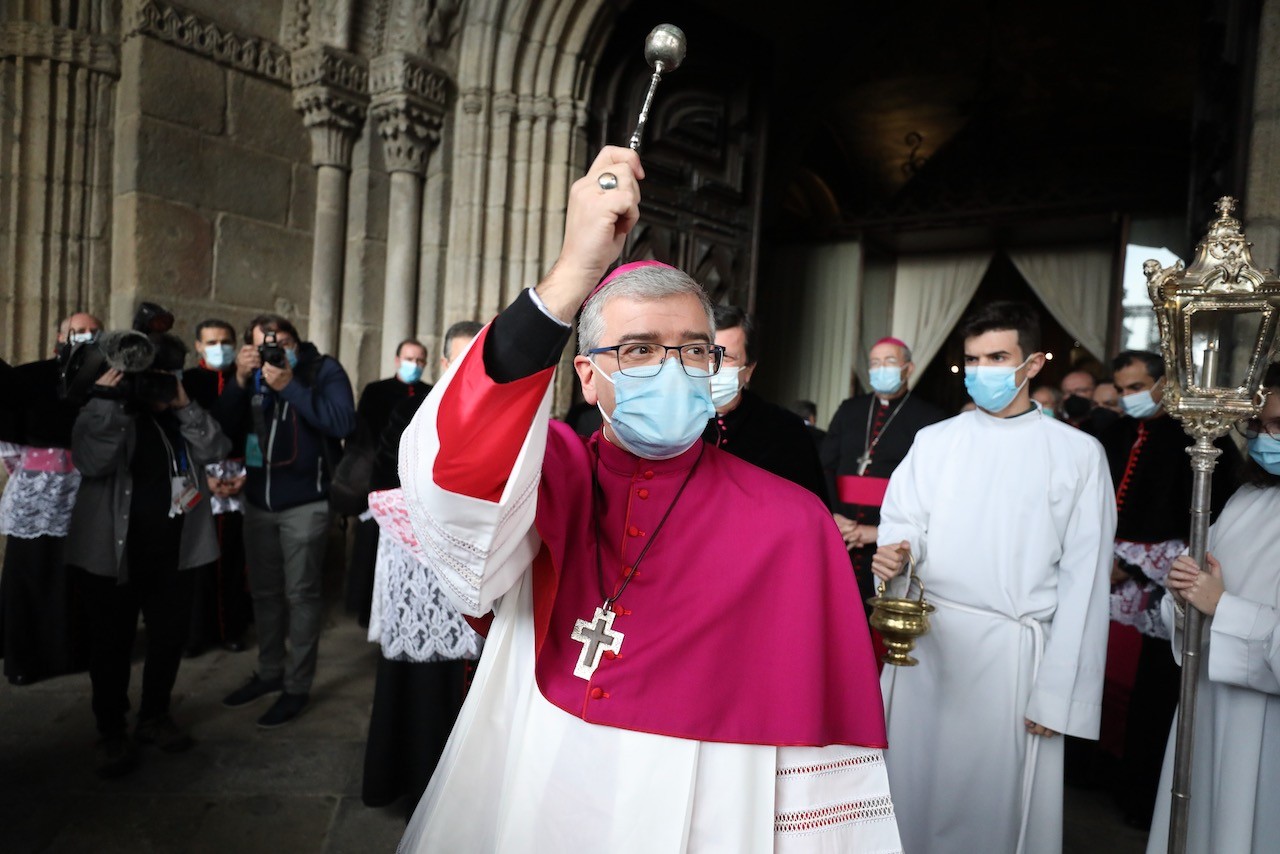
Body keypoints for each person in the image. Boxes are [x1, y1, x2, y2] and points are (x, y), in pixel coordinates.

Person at [397, 147, 899, 852]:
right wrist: (572, 274)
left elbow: (817, 747)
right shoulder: (551, 479)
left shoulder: (794, 523)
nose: (672, 369)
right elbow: (453, 468)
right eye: (637, 349)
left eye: (694, 351)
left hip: (711, 810)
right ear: (589, 377)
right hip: (539, 773)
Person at [872, 300, 1115, 854]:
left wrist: (1060, 695)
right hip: (930, 651)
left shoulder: (1077, 455)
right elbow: (904, 523)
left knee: (991, 816)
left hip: (1014, 661)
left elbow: (1085, 582)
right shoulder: (935, 442)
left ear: (1032, 364)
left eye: (997, 357)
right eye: (973, 360)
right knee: (907, 799)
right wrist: (897, 557)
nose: (983, 371)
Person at [66, 331, 230, 777]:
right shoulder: (101, 414)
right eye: (149, 380)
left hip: (175, 553)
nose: (157, 387)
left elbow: (217, 449)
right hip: (112, 556)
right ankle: (111, 730)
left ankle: (155, 717)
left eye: (165, 378)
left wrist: (182, 406)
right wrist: (111, 401)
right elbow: (93, 462)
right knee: (111, 646)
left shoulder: (179, 419)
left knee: (167, 641)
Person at [1097, 350, 1239, 829]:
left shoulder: (1196, 438)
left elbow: (1211, 520)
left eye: (1136, 387)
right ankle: (1095, 776)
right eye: (1120, 389)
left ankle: (1138, 795)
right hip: (1107, 579)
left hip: (1162, 588)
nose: (1126, 397)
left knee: (1151, 697)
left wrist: (1140, 570)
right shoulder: (1113, 432)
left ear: (1163, 384)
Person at [1146, 364, 1280, 853]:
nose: (1267, 438)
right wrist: (1184, 596)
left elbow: (1221, 602)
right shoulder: (1248, 497)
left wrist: (1222, 605)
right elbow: (1197, 599)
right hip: (1208, 708)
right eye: (1260, 425)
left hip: (1266, 726)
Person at [361, 320, 484, 811]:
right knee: (420, 688)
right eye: (457, 358)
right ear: (443, 364)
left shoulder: (508, 415)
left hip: (482, 575)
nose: (464, 369)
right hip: (421, 572)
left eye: (476, 358)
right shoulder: (413, 410)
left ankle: (469, 790)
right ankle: (415, 782)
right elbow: (383, 481)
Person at [216, 314, 356, 728]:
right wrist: (240, 382)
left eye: (281, 343)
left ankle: (296, 686)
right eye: (262, 347)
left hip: (306, 504)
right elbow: (222, 431)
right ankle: (270, 672)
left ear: (295, 340)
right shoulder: (250, 375)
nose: (273, 352)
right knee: (264, 593)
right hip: (258, 502)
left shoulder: (321, 369)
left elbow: (342, 421)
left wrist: (290, 386)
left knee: (301, 596)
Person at [0, 312, 99, 685]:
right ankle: (24, 658)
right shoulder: (33, 375)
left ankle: (72, 652)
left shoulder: (109, 380)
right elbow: (9, 430)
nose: (87, 337)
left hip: (89, 492)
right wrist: (34, 470)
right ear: (60, 337)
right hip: (41, 490)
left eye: (94, 331)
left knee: (77, 577)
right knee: (31, 572)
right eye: (78, 331)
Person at [821, 337, 945, 615]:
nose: (881, 369)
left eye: (889, 361)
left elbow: (930, 492)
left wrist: (879, 533)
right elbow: (824, 466)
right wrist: (833, 517)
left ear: (908, 368)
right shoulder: (850, 409)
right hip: (839, 534)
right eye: (875, 363)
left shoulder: (931, 418)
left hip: (886, 547)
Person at [346, 339, 432, 626]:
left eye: (420, 361)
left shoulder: (430, 393)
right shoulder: (376, 391)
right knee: (371, 550)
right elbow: (362, 438)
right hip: (380, 480)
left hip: (413, 485)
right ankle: (366, 611)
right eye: (410, 359)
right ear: (397, 360)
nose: (415, 365)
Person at [701, 305, 828, 499]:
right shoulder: (670, 423)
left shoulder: (786, 432)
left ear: (749, 370)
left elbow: (806, 511)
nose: (712, 365)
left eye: (725, 357)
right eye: (703, 353)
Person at [182, 319, 251, 655]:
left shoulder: (249, 382)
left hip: (237, 479)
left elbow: (256, 434)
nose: (219, 347)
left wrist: (247, 474)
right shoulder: (187, 381)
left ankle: (231, 629)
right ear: (197, 345)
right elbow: (178, 435)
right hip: (195, 478)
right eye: (211, 341)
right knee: (195, 563)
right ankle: (193, 633)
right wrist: (202, 479)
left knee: (233, 562)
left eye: (226, 340)